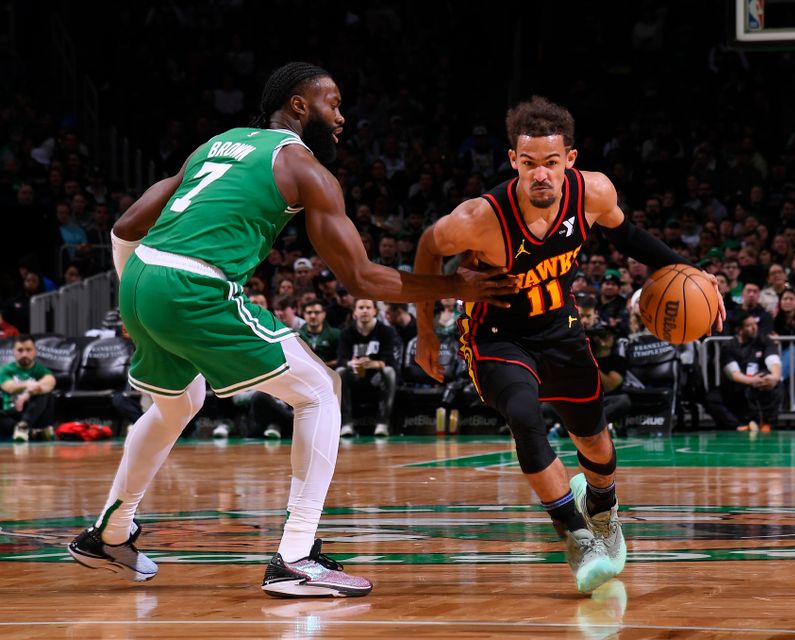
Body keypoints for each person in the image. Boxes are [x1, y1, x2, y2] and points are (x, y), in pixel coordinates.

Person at [66, 62, 514, 599]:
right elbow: (362, 278)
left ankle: (111, 533)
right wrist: (455, 286)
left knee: (178, 404)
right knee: (322, 389)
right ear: (299, 106)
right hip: (191, 285)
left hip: (141, 279)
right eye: (334, 104)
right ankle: (295, 557)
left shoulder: (218, 144)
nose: (342, 118)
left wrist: (139, 294)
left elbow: (126, 225)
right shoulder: (306, 170)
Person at [413, 95, 724, 594]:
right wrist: (426, 330)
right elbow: (428, 246)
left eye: (551, 163)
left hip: (559, 326)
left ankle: (602, 510)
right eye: (529, 162)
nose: (541, 174)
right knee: (524, 415)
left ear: (569, 161)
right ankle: (576, 536)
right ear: (513, 160)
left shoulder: (593, 193)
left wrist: (692, 273)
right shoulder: (479, 218)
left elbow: (631, 237)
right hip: (497, 334)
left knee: (594, 440)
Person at [706, 311, 782, 433]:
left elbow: (773, 360)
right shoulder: (728, 346)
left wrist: (775, 377)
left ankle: (767, 424)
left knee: (776, 385)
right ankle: (737, 425)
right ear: (739, 330)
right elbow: (733, 373)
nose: (754, 327)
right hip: (737, 388)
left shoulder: (764, 340)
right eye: (749, 325)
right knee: (712, 398)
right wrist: (752, 381)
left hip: (760, 386)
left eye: (754, 324)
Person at [336, 298, 399, 438]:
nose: (365, 310)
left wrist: (374, 363)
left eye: (368, 307)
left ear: (375, 311)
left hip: (376, 378)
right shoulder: (346, 332)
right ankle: (346, 423)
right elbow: (341, 359)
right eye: (361, 307)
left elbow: (390, 360)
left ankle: (383, 422)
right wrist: (351, 363)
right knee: (339, 372)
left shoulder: (386, 331)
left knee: (390, 372)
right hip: (355, 376)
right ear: (354, 312)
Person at [0, 334, 56, 442]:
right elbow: (9, 387)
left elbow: (50, 382)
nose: (24, 354)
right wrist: (29, 384)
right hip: (12, 412)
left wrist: (28, 394)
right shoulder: (4, 370)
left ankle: (24, 425)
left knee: (44, 393)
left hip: (33, 412)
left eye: (28, 350)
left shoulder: (42, 370)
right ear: (13, 352)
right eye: (20, 350)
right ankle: (30, 432)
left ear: (35, 351)